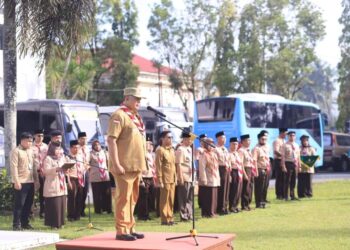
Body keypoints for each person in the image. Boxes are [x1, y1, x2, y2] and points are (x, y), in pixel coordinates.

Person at [107, 87, 147, 241]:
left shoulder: (135, 117)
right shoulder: (119, 115)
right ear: (127, 98)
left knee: (132, 198)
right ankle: (122, 230)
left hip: (135, 165)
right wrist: (116, 163)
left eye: (139, 99)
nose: (138, 102)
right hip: (123, 166)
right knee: (123, 198)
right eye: (136, 99)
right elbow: (111, 140)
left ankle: (130, 226)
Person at [11, 132, 39, 231]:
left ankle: (25, 222)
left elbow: (34, 167)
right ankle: (16, 224)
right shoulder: (16, 151)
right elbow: (14, 167)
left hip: (30, 181)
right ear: (22, 140)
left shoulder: (31, 151)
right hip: (20, 181)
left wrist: (36, 180)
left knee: (28, 204)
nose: (30, 143)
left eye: (31, 141)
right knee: (20, 204)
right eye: (29, 141)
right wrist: (16, 181)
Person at [43, 142, 68, 229]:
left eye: (59, 149)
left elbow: (64, 168)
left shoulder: (62, 158)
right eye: (56, 149)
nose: (58, 151)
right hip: (52, 184)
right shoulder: (48, 159)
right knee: (54, 205)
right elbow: (45, 171)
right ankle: (53, 224)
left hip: (61, 184)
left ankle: (60, 223)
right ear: (52, 149)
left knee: (61, 204)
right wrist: (56, 169)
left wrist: (66, 169)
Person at [155, 130, 176, 226]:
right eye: (168, 137)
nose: (170, 139)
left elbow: (173, 165)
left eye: (171, 137)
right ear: (162, 139)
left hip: (172, 178)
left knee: (171, 199)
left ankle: (170, 217)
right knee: (164, 200)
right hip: (165, 179)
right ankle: (164, 219)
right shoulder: (160, 150)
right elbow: (158, 166)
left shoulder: (172, 150)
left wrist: (176, 178)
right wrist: (160, 179)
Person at [198, 137, 220, 218]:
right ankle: (207, 213)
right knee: (207, 197)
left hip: (214, 178)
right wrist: (203, 179)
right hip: (207, 178)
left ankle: (213, 212)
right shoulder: (204, 154)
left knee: (214, 196)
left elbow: (216, 167)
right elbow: (202, 167)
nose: (211, 145)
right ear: (205, 145)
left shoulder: (214, 154)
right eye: (208, 144)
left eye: (212, 144)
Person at [89, 140, 112, 214]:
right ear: (93, 146)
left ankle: (107, 209)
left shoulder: (105, 153)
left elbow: (109, 163)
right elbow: (87, 164)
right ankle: (98, 210)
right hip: (95, 177)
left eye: (98, 144)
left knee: (107, 193)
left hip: (105, 176)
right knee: (97, 195)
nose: (97, 146)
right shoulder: (91, 154)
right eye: (95, 145)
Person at [175, 131, 193, 221]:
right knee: (183, 197)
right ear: (185, 139)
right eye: (189, 139)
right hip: (184, 176)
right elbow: (178, 164)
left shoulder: (189, 149)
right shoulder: (181, 149)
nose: (191, 141)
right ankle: (183, 215)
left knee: (190, 198)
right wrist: (180, 177)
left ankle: (189, 214)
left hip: (191, 177)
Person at [66, 140, 85, 221]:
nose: (76, 149)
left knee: (79, 197)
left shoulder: (80, 156)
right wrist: (68, 181)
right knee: (72, 198)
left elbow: (83, 166)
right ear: (70, 148)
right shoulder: (67, 157)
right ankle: (71, 215)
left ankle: (77, 215)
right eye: (74, 148)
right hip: (72, 178)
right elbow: (66, 171)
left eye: (77, 148)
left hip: (80, 178)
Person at [32, 129, 48, 218]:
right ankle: (31, 212)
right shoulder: (31, 146)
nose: (40, 137)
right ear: (34, 136)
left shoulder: (46, 147)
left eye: (42, 136)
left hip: (44, 173)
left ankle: (43, 211)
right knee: (32, 193)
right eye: (38, 136)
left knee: (43, 193)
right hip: (34, 172)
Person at [137, 137, 155, 221]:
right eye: (148, 144)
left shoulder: (149, 154)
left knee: (148, 197)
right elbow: (139, 167)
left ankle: (146, 214)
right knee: (143, 198)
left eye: (151, 144)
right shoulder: (141, 154)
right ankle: (142, 215)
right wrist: (140, 179)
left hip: (150, 176)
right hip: (144, 177)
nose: (150, 146)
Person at [252, 132, 270, 208]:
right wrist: (255, 171)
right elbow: (254, 161)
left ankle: (263, 201)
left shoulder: (267, 147)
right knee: (259, 187)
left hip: (266, 169)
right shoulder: (256, 148)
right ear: (259, 139)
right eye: (262, 139)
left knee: (265, 186)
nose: (264, 140)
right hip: (259, 169)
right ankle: (258, 203)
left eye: (265, 139)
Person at [281, 131, 301, 201]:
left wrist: (299, 166)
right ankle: (285, 196)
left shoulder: (297, 145)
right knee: (287, 180)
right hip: (288, 163)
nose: (292, 137)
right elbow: (283, 156)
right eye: (290, 135)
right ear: (288, 136)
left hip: (295, 164)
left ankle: (292, 195)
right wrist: (283, 166)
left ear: (295, 137)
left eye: (293, 135)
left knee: (293, 180)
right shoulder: (285, 145)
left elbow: (298, 156)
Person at [214, 131, 231, 215]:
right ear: (218, 139)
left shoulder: (225, 149)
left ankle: (225, 206)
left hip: (226, 169)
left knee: (227, 189)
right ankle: (220, 208)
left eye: (225, 138)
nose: (224, 140)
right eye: (222, 138)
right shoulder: (215, 149)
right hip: (220, 169)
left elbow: (228, 160)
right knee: (221, 189)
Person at [239, 134, 255, 211]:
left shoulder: (248, 150)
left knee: (250, 188)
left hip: (250, 169)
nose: (249, 142)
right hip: (245, 169)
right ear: (243, 141)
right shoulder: (241, 150)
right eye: (247, 140)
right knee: (245, 189)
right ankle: (244, 205)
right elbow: (241, 163)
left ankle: (248, 204)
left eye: (249, 140)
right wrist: (244, 174)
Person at [228, 137, 244, 213]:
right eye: (233, 144)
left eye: (236, 144)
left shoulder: (237, 153)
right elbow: (229, 165)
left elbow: (241, 164)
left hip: (239, 172)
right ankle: (232, 207)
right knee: (233, 190)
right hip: (232, 172)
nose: (235, 146)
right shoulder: (228, 153)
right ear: (230, 144)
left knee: (238, 190)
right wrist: (230, 175)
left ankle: (236, 205)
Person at [78, 132, 90, 217]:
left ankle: (82, 209)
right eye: (83, 139)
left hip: (86, 172)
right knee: (79, 192)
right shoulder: (76, 148)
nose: (85, 140)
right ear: (79, 139)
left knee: (85, 191)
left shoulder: (87, 148)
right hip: (78, 172)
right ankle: (77, 210)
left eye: (85, 139)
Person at [273, 128, 288, 200]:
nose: (286, 135)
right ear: (282, 133)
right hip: (278, 160)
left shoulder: (284, 141)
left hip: (283, 160)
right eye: (286, 133)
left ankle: (283, 193)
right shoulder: (277, 141)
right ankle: (278, 194)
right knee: (279, 178)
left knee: (284, 177)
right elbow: (276, 151)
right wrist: (283, 156)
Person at [196, 133, 207, 209]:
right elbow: (197, 159)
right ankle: (201, 202)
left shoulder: (207, 149)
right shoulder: (199, 149)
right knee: (202, 186)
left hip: (208, 169)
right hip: (201, 168)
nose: (205, 141)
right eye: (203, 140)